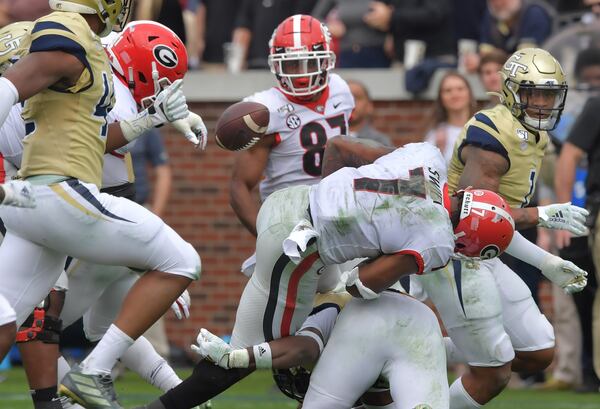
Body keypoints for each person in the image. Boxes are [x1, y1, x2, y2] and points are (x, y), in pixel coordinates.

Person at [138, 139, 516, 409]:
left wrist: (348, 216)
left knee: (316, 326)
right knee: (251, 350)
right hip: (301, 246)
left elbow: (338, 147)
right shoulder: (438, 240)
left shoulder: (427, 154)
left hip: (295, 199)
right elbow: (365, 283)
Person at [0, 2, 207, 408]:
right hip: (52, 192)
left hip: (26, 196)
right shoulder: (68, 31)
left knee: (10, 319)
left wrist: (153, 119)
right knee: (181, 260)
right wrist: (147, 121)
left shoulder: (96, 47)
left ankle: (63, 397)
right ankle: (88, 377)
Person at [415, 48, 589, 409]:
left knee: (539, 351)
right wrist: (541, 216)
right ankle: (403, 355)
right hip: (455, 252)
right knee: (493, 369)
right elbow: (475, 218)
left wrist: (546, 262)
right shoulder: (493, 132)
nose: (541, 104)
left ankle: (404, 347)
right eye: (533, 94)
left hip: (484, 254)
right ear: (511, 91)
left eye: (549, 95)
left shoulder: (534, 135)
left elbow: (494, 228)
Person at [229, 14, 354, 283]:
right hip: (292, 218)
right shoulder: (265, 110)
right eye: (292, 65)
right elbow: (240, 186)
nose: (301, 74)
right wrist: (270, 238)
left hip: (343, 217)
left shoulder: (341, 91)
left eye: (309, 62)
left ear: (326, 61)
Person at [193, 288, 449, 409]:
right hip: (421, 323)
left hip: (370, 324)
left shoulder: (323, 305)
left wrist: (239, 357)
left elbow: (304, 350)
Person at [464, 0, 554, 72]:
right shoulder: (491, 16)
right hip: (503, 78)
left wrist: (487, 60)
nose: (498, 3)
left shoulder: (534, 13)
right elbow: (486, 55)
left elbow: (525, 59)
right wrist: (478, 60)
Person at [312, 0, 392, 68]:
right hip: (347, 52)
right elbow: (315, 19)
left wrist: (389, 24)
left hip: (378, 51)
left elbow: (399, 12)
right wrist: (329, 27)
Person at [424, 71, 477, 163]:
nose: (455, 95)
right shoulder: (435, 136)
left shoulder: (484, 128)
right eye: (448, 90)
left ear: (469, 93)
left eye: (460, 89)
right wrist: (439, 152)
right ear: (441, 98)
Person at [346, 79, 393, 147]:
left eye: (357, 98)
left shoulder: (380, 142)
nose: (351, 103)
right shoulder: (327, 139)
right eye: (346, 98)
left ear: (369, 106)